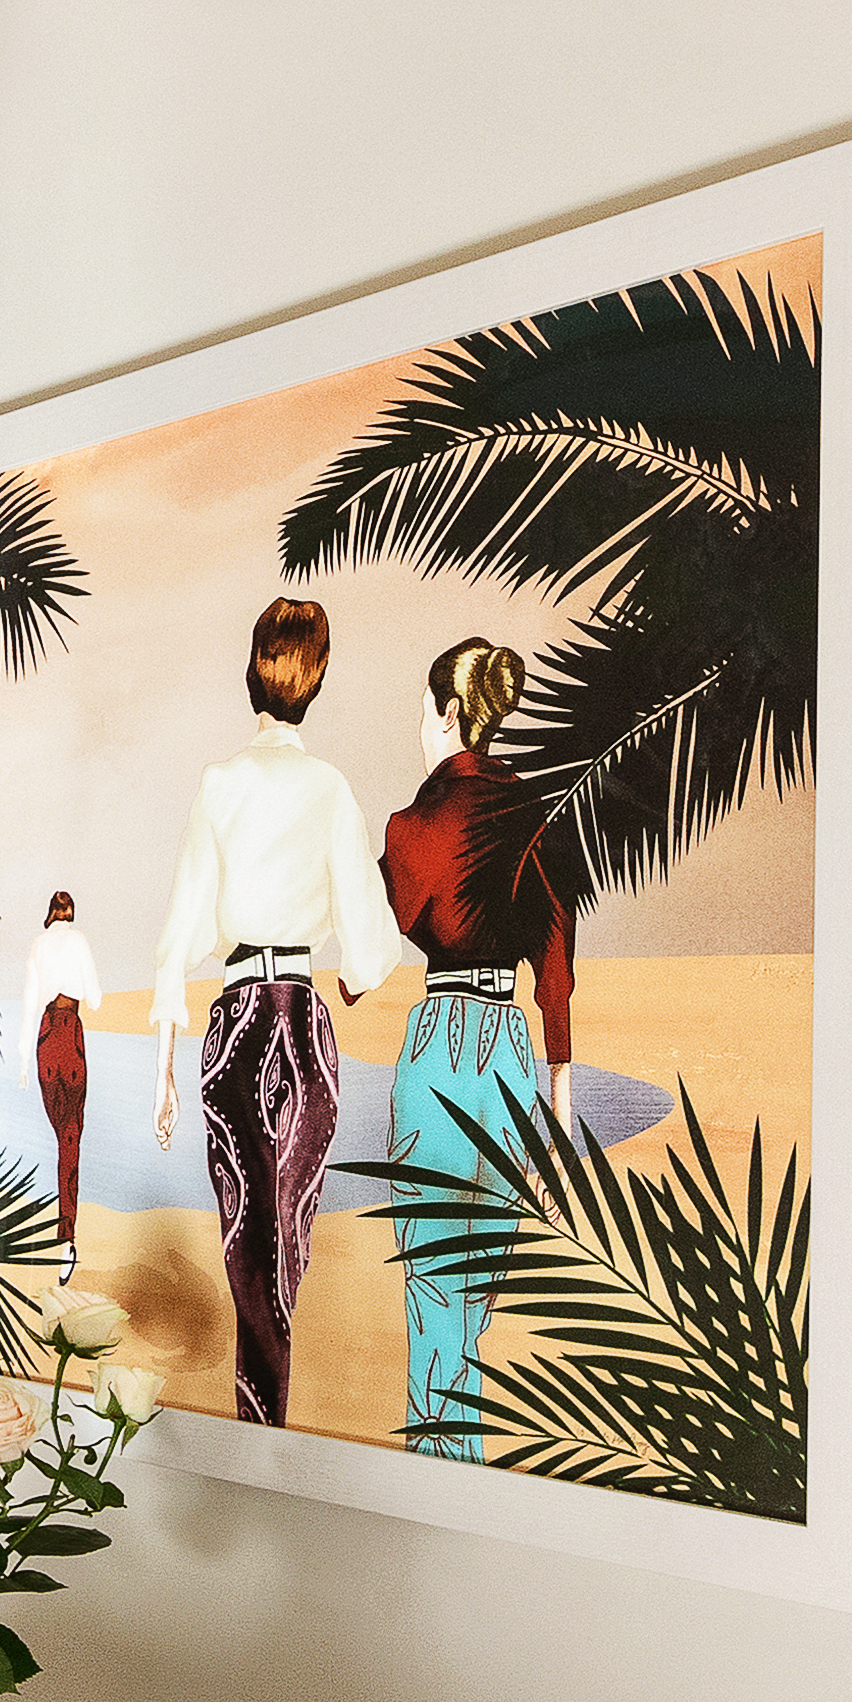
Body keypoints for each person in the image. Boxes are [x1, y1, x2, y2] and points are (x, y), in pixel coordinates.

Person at [147, 593, 409, 1430]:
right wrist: (354, 983)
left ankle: (258, 1436)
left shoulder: (217, 784)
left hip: (233, 1027)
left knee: (246, 1251)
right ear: (316, 678)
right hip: (302, 1024)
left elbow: (177, 935)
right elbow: (371, 949)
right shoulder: (329, 790)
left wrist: (160, 1073)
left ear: (251, 671)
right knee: (283, 1245)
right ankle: (268, 1439)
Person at [381, 633, 579, 1462]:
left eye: (424, 715)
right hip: (508, 1051)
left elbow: (372, 947)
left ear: (449, 713)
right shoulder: (533, 813)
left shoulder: (411, 824)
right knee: (475, 1291)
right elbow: (555, 954)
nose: (420, 730)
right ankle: (459, 1471)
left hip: (437, 1046)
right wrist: (557, 1113)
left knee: (434, 1287)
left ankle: (442, 1481)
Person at [26, 887, 103, 1254]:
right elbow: (97, 998)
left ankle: (65, 1234)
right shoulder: (78, 941)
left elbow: (29, 1003)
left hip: (44, 1038)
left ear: (50, 913)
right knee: (71, 1138)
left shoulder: (39, 944)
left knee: (62, 1136)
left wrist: (21, 1062)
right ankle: (66, 1237)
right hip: (69, 1031)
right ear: (70, 912)